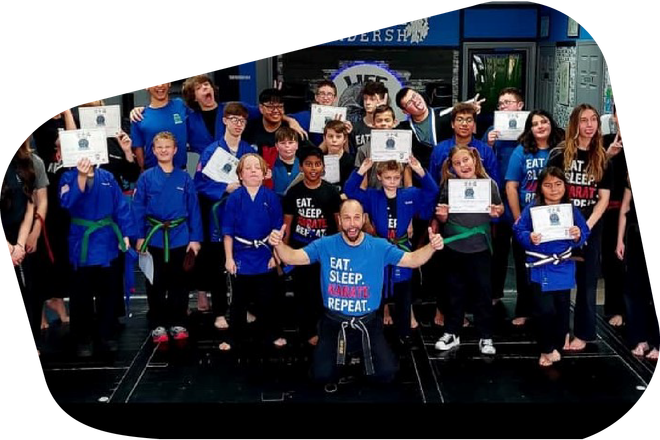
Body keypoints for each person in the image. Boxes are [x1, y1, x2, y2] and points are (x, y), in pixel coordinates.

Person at [268, 199, 445, 385]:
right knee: (321, 375)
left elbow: (412, 260)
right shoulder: (325, 245)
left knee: (386, 372)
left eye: (356, 218)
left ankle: (359, 352)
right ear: (339, 221)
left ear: (363, 220)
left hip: (367, 322)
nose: (352, 224)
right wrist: (278, 244)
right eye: (347, 218)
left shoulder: (379, 246)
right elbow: (293, 257)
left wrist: (431, 246)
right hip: (334, 322)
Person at [344, 156, 438, 345]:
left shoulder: (409, 195)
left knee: (403, 291)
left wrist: (419, 169)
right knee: (376, 291)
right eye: (388, 178)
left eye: (396, 178)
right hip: (378, 248)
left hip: (401, 247)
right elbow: (349, 191)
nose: (393, 182)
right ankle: (374, 333)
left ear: (401, 177)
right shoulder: (372, 196)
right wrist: (362, 169)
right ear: (379, 177)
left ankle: (404, 333)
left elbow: (432, 190)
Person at [548, 104, 612, 351]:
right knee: (561, 282)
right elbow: (549, 191)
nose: (589, 124)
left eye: (594, 119)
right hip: (561, 226)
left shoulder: (602, 157)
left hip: (590, 226)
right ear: (575, 123)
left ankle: (584, 333)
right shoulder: (559, 154)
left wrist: (585, 226)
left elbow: (603, 198)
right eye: (584, 120)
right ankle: (560, 330)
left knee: (587, 283)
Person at [513, 166, 589, 367]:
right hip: (541, 266)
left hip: (563, 265)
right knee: (544, 310)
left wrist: (577, 235)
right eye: (548, 185)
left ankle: (554, 344)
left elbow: (585, 231)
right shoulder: (532, 209)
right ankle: (546, 349)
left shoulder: (571, 210)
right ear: (540, 188)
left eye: (558, 184)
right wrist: (529, 237)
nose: (554, 189)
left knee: (562, 311)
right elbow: (518, 230)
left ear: (565, 186)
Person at [59, 157, 134, 357]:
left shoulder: (107, 177)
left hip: (107, 240)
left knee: (108, 293)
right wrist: (81, 178)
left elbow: (121, 206)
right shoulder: (67, 177)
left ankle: (106, 335)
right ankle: (82, 337)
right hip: (82, 241)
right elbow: (66, 202)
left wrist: (125, 233)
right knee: (81, 294)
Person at [433, 145, 504, 355]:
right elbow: (442, 217)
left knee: (483, 292)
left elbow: (499, 209)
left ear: (474, 159)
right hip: (454, 246)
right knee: (454, 292)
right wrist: (442, 215)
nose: (463, 165)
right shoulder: (448, 186)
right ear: (452, 167)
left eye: (466, 160)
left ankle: (485, 336)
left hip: (480, 248)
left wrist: (496, 212)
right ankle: (452, 332)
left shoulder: (489, 184)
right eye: (457, 163)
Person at [133, 132, 203, 344]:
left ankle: (178, 321)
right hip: (153, 237)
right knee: (155, 282)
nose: (164, 150)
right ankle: (157, 324)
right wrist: (138, 237)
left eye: (167, 147)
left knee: (179, 282)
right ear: (153, 151)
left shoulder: (184, 178)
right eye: (159, 147)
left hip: (180, 236)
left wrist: (195, 238)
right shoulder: (146, 177)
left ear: (175, 150)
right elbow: (137, 208)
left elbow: (194, 209)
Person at [193, 102, 254, 329]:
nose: (238, 124)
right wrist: (224, 188)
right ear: (225, 120)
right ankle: (219, 312)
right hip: (218, 214)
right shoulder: (211, 151)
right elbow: (199, 183)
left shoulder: (249, 150)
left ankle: (242, 307)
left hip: (243, 215)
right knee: (219, 263)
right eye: (234, 119)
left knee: (243, 263)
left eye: (242, 121)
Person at [221, 153, 287, 352]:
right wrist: (229, 258)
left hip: (265, 253)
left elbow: (278, 230)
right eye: (247, 168)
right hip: (241, 255)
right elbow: (228, 233)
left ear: (265, 173)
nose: (252, 171)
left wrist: (275, 257)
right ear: (240, 174)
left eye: (257, 168)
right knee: (238, 302)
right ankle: (233, 338)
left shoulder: (271, 197)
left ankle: (272, 334)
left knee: (268, 299)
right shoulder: (233, 199)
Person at [505, 110, 564, 326]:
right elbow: (511, 185)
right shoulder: (521, 151)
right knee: (524, 266)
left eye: (544, 121)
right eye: (535, 123)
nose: (540, 126)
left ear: (551, 124)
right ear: (529, 128)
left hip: (554, 217)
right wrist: (518, 217)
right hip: (528, 218)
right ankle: (524, 309)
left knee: (551, 265)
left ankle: (551, 311)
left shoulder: (561, 149)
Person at [282, 147, 343, 346]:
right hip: (302, 250)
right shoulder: (294, 192)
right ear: (301, 167)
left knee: (323, 291)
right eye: (308, 164)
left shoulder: (331, 191)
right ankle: (306, 331)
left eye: (317, 164)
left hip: (325, 250)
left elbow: (338, 223)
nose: (313, 168)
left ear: (323, 167)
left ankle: (325, 329)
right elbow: (288, 224)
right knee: (302, 292)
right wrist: (285, 251)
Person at [482, 88, 525, 308]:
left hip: (523, 199)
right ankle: (495, 294)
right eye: (500, 103)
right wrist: (488, 144)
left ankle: (524, 303)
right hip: (498, 200)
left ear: (519, 105)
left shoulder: (530, 128)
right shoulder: (492, 130)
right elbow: (479, 161)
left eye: (507, 102)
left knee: (522, 252)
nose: (503, 106)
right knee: (498, 252)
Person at [616, 173, 659, 360]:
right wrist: (620, 239)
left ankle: (658, 343)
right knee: (634, 289)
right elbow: (625, 207)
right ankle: (640, 339)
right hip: (635, 234)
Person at [396, 88, 485, 173]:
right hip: (422, 176)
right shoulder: (404, 129)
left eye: (414, 96)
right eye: (409, 102)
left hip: (452, 170)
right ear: (405, 112)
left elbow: (470, 131)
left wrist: (474, 113)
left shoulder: (445, 113)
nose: (415, 101)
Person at [601, 102, 626, 328]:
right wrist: (608, 155)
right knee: (612, 261)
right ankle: (615, 308)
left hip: (630, 211)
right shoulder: (604, 141)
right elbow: (593, 173)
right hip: (609, 210)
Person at [130, 81, 189, 171]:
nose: (160, 85)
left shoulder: (180, 105)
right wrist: (143, 172)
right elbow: (138, 150)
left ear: (169, 84)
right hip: (153, 174)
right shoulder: (139, 117)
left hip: (181, 172)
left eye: (164, 82)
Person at [347, 81, 389, 156]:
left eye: (372, 99)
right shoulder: (354, 128)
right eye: (365, 99)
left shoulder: (389, 127)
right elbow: (349, 155)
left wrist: (382, 110)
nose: (367, 102)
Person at [322, 120, 354, 192]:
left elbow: (350, 191)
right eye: (330, 136)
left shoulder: (350, 161)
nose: (334, 140)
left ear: (344, 139)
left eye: (338, 137)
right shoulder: (319, 159)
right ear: (324, 138)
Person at [272, 126, 302, 198]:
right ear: (276, 146)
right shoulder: (270, 165)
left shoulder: (303, 165)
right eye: (283, 143)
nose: (287, 146)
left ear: (297, 145)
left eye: (291, 142)